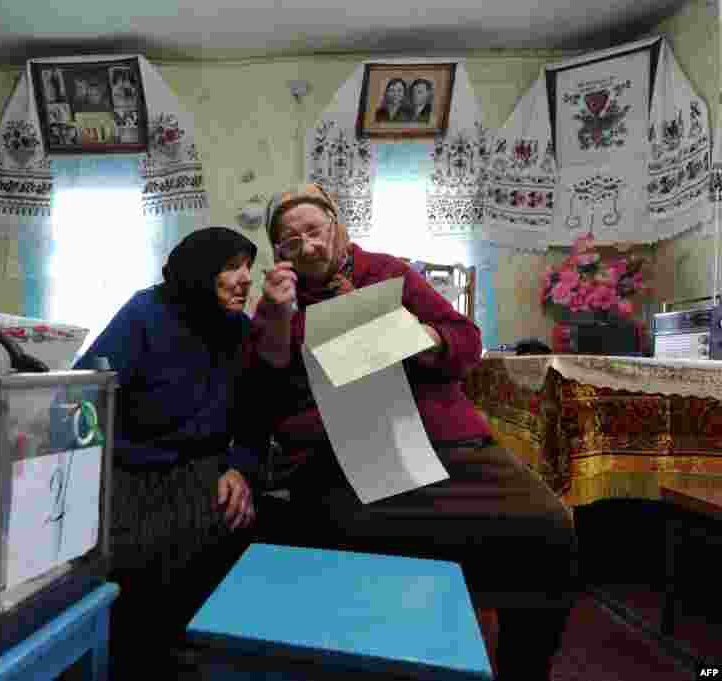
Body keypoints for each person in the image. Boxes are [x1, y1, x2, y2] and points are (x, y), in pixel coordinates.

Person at [246, 183, 579, 681]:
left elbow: (467, 341)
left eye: (314, 230)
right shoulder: (280, 304)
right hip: (353, 459)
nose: (308, 246)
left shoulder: (387, 272)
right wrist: (275, 316)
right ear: (279, 254)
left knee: (549, 525)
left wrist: (407, 335)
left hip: (450, 446)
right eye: (290, 242)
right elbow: (268, 389)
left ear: (338, 228)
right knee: (347, 540)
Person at [72, 226, 292, 676]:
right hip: (131, 466)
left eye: (248, 267)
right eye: (232, 267)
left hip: (205, 467)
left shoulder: (240, 330)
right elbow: (85, 394)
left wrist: (242, 469)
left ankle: (199, 661)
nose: (245, 278)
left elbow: (257, 413)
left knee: (233, 529)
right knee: (138, 558)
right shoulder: (145, 313)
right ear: (200, 270)